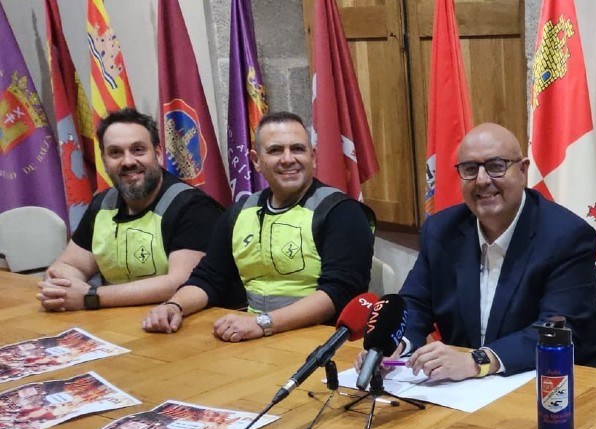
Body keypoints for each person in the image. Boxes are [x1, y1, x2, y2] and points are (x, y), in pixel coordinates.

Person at [389, 122, 596, 380]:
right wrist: (395, 344)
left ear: (523, 170)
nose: (482, 180)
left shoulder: (566, 237)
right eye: (470, 169)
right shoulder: (441, 231)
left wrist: (477, 361)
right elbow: (414, 304)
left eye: (496, 166)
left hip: (562, 381)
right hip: (471, 389)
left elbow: (558, 330)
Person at [141, 112, 373, 341]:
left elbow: (339, 293)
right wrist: (174, 306)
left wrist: (263, 323)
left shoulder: (342, 212)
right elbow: (209, 279)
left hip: (321, 340)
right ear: (256, 160)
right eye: (275, 150)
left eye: (297, 149)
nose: (288, 159)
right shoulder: (239, 213)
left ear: (313, 157)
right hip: (257, 337)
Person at [37, 108, 221, 312]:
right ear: (104, 161)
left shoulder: (193, 207)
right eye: (115, 153)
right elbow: (71, 266)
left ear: (158, 154)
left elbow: (181, 282)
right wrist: (60, 288)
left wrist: (91, 297)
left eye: (138, 150)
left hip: (177, 321)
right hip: (114, 321)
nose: (128, 162)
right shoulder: (102, 205)